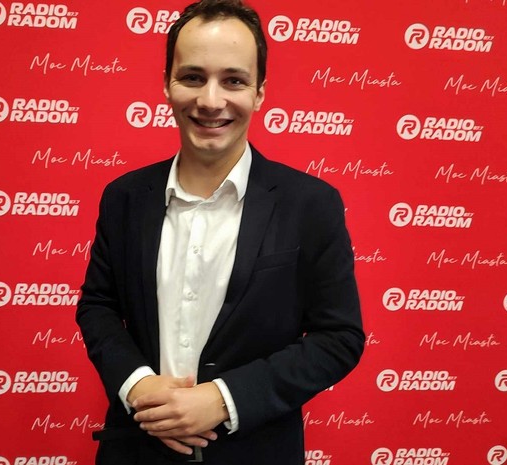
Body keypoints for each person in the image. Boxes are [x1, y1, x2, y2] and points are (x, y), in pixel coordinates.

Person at [76, 0, 364, 463]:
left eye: (233, 80)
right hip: (134, 449)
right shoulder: (124, 197)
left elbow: (339, 338)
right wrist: (137, 386)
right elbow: (98, 306)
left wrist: (224, 399)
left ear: (260, 92)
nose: (211, 101)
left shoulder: (311, 204)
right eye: (193, 77)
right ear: (167, 84)